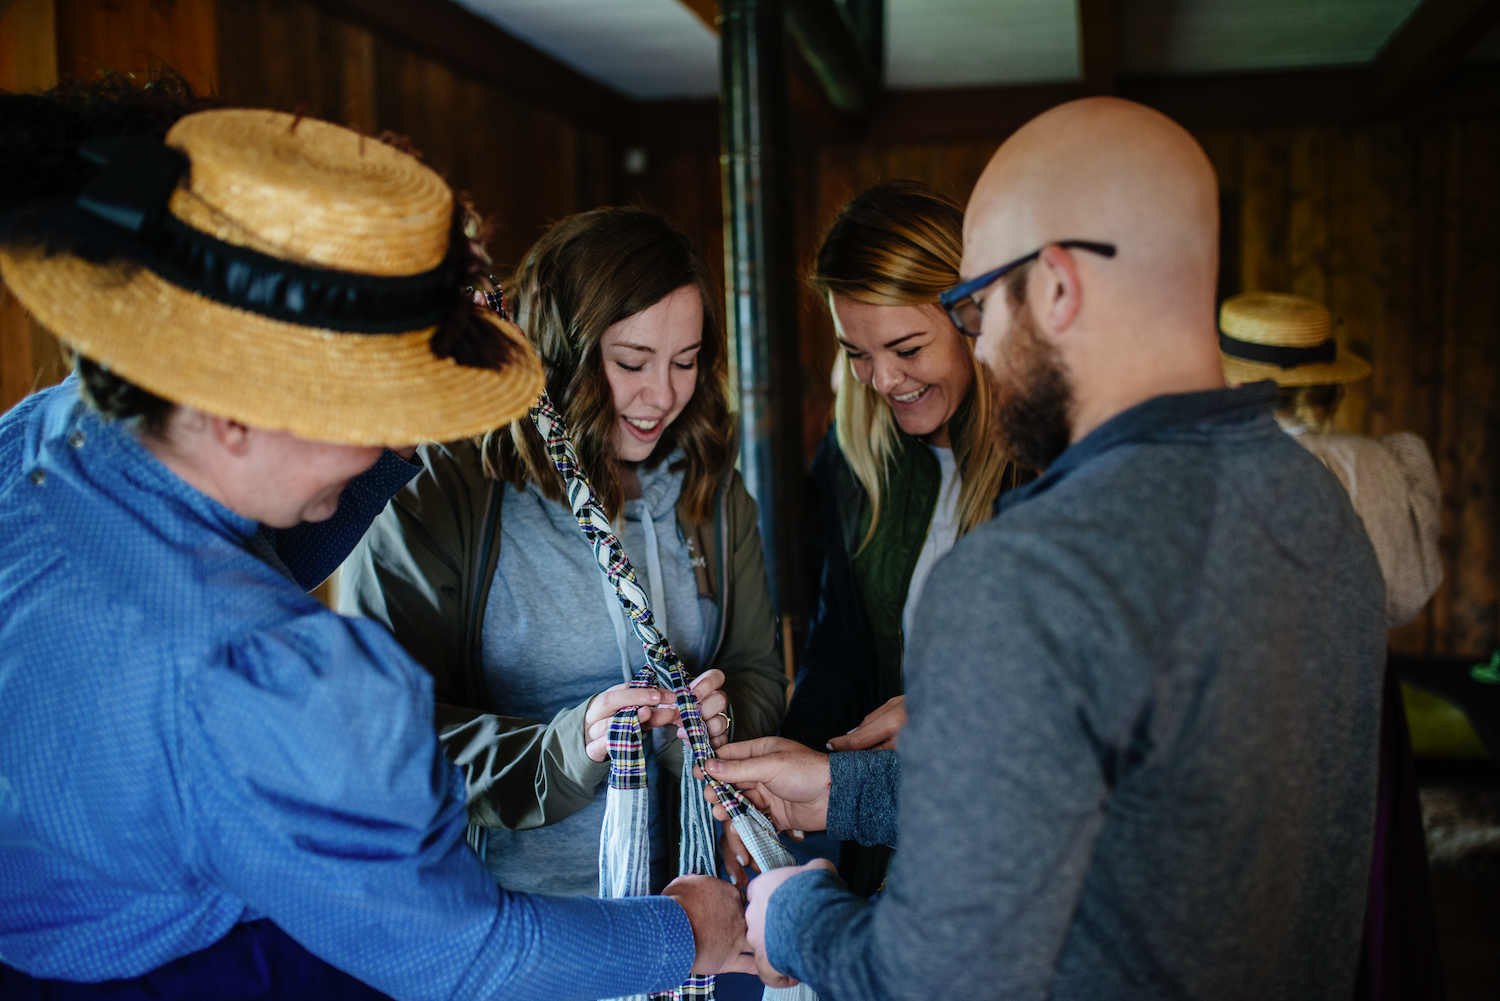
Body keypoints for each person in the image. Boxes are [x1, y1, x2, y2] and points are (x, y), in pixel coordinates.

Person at [0, 81, 751, 1000]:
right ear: (242, 412)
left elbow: (249, 536)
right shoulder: (265, 674)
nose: (395, 446)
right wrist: (684, 928)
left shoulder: (42, 440)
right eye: (375, 414)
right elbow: (458, 951)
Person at [704, 96, 1388, 1000]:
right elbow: (1124, 806)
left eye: (977, 306)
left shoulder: (1025, 573)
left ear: (1056, 286)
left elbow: (935, 976)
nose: (978, 345)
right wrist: (849, 789)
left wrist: (795, 915)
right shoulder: (1319, 502)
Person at [339, 206, 788, 900]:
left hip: (693, 920)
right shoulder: (439, 492)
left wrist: (724, 724)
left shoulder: (712, 489)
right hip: (504, 919)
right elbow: (382, 730)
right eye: (632, 362)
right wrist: (565, 749)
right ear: (560, 354)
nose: (662, 394)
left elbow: (759, 671)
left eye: (687, 361)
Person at [777, 180, 1017, 894]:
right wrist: (799, 753)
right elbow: (840, 645)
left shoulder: (1044, 461)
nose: (882, 379)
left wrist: (947, 714)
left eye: (907, 347)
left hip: (1006, 845)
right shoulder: (851, 453)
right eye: (856, 352)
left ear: (973, 318)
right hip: (885, 840)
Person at [1219, 290, 1442, 628]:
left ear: (1235, 384)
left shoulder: (1234, 469)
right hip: (1371, 672)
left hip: (1270, 675)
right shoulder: (1381, 459)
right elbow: (1405, 596)